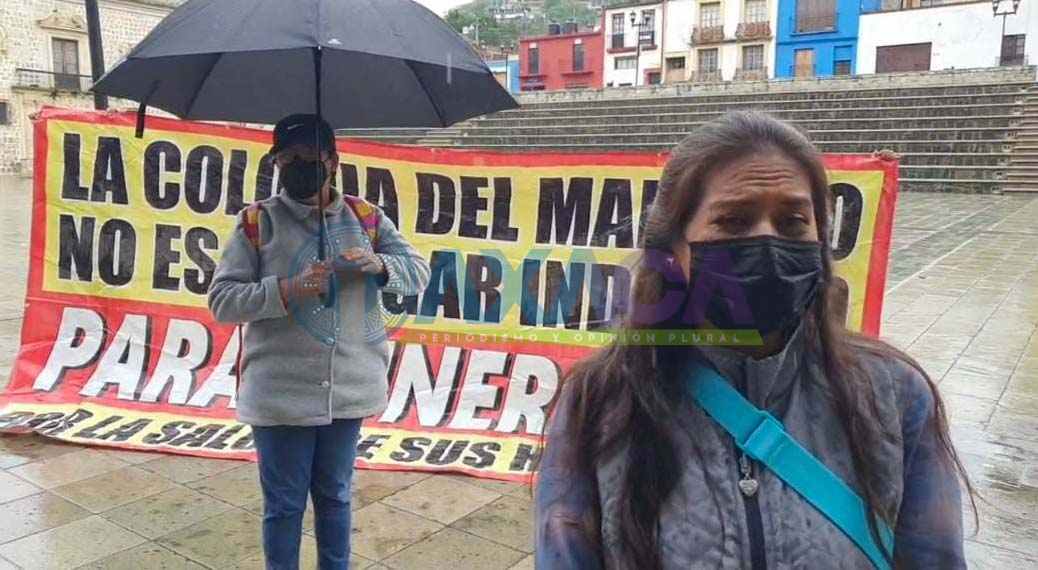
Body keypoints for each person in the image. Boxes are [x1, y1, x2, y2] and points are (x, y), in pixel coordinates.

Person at [535, 111, 972, 569]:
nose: (766, 241)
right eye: (734, 221)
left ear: (821, 242)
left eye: (793, 222)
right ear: (672, 251)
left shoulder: (895, 395)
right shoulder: (602, 401)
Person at [208, 114, 430, 570]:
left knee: (335, 496)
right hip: (279, 394)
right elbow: (223, 301)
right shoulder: (256, 222)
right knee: (285, 505)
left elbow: (418, 271)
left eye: (309, 157)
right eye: (286, 158)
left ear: (333, 160)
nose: (297, 166)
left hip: (347, 391)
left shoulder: (366, 217)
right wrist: (288, 289)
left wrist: (377, 264)